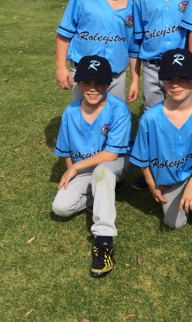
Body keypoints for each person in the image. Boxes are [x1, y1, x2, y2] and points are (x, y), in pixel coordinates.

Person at [130, 48, 192, 258]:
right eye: (169, 79)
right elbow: (143, 159)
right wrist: (152, 184)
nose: (176, 84)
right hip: (169, 177)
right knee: (174, 223)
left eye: (183, 78)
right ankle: (187, 197)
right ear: (162, 81)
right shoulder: (150, 118)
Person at [51, 55, 132, 278]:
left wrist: (75, 168)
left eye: (99, 83)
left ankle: (104, 241)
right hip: (85, 168)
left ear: (108, 84)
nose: (93, 89)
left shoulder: (118, 109)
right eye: (87, 83)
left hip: (113, 163)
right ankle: (103, 192)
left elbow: (111, 153)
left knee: (103, 172)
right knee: (61, 208)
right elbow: (67, 151)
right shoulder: (70, 111)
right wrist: (72, 169)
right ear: (79, 84)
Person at [129, 0, 192, 190]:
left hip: (180, 71)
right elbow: (136, 40)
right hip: (153, 68)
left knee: (181, 117)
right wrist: (134, 77)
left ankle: (183, 165)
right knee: (153, 117)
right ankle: (154, 168)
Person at [55, 0, 139, 102]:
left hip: (115, 75)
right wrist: (60, 67)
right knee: (82, 116)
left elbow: (133, 48)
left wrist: (135, 80)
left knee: (112, 118)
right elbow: (64, 34)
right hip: (83, 74)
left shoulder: (132, 7)